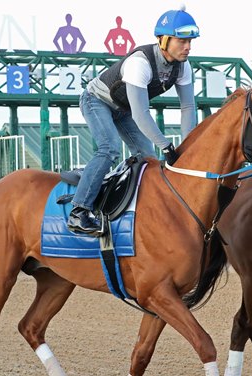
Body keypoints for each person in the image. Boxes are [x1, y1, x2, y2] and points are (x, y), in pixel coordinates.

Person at [67, 6, 199, 236]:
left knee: (146, 158)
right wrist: (166, 146)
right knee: (109, 148)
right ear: (164, 40)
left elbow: (187, 107)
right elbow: (141, 114)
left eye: (190, 41)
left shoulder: (183, 66)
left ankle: (138, 206)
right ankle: (79, 211)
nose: (188, 47)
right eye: (182, 41)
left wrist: (188, 147)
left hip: (123, 110)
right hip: (97, 100)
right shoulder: (141, 63)